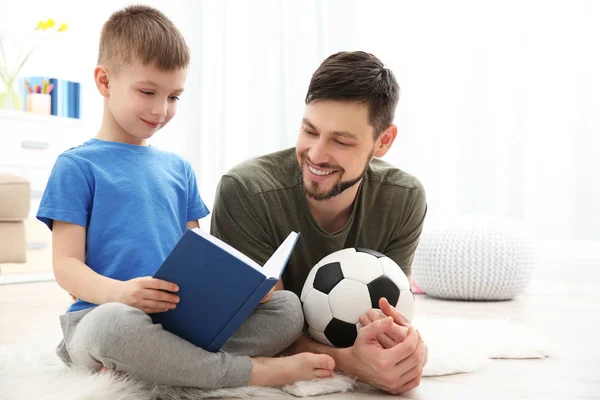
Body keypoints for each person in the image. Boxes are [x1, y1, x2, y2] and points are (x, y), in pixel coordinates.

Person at [36, 4, 334, 390]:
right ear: (105, 81)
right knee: (117, 327)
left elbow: (200, 254)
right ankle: (253, 371)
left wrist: (241, 293)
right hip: (101, 317)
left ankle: (159, 365)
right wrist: (123, 294)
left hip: (177, 323)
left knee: (288, 308)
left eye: (174, 97)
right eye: (147, 92)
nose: (161, 110)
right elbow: (66, 267)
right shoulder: (77, 167)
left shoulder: (179, 170)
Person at [211, 51, 428, 394]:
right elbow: (263, 332)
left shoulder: (402, 198)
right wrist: (346, 363)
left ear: (383, 141)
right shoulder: (246, 192)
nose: (316, 154)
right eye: (309, 130)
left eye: (341, 141)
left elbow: (389, 315)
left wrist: (406, 350)